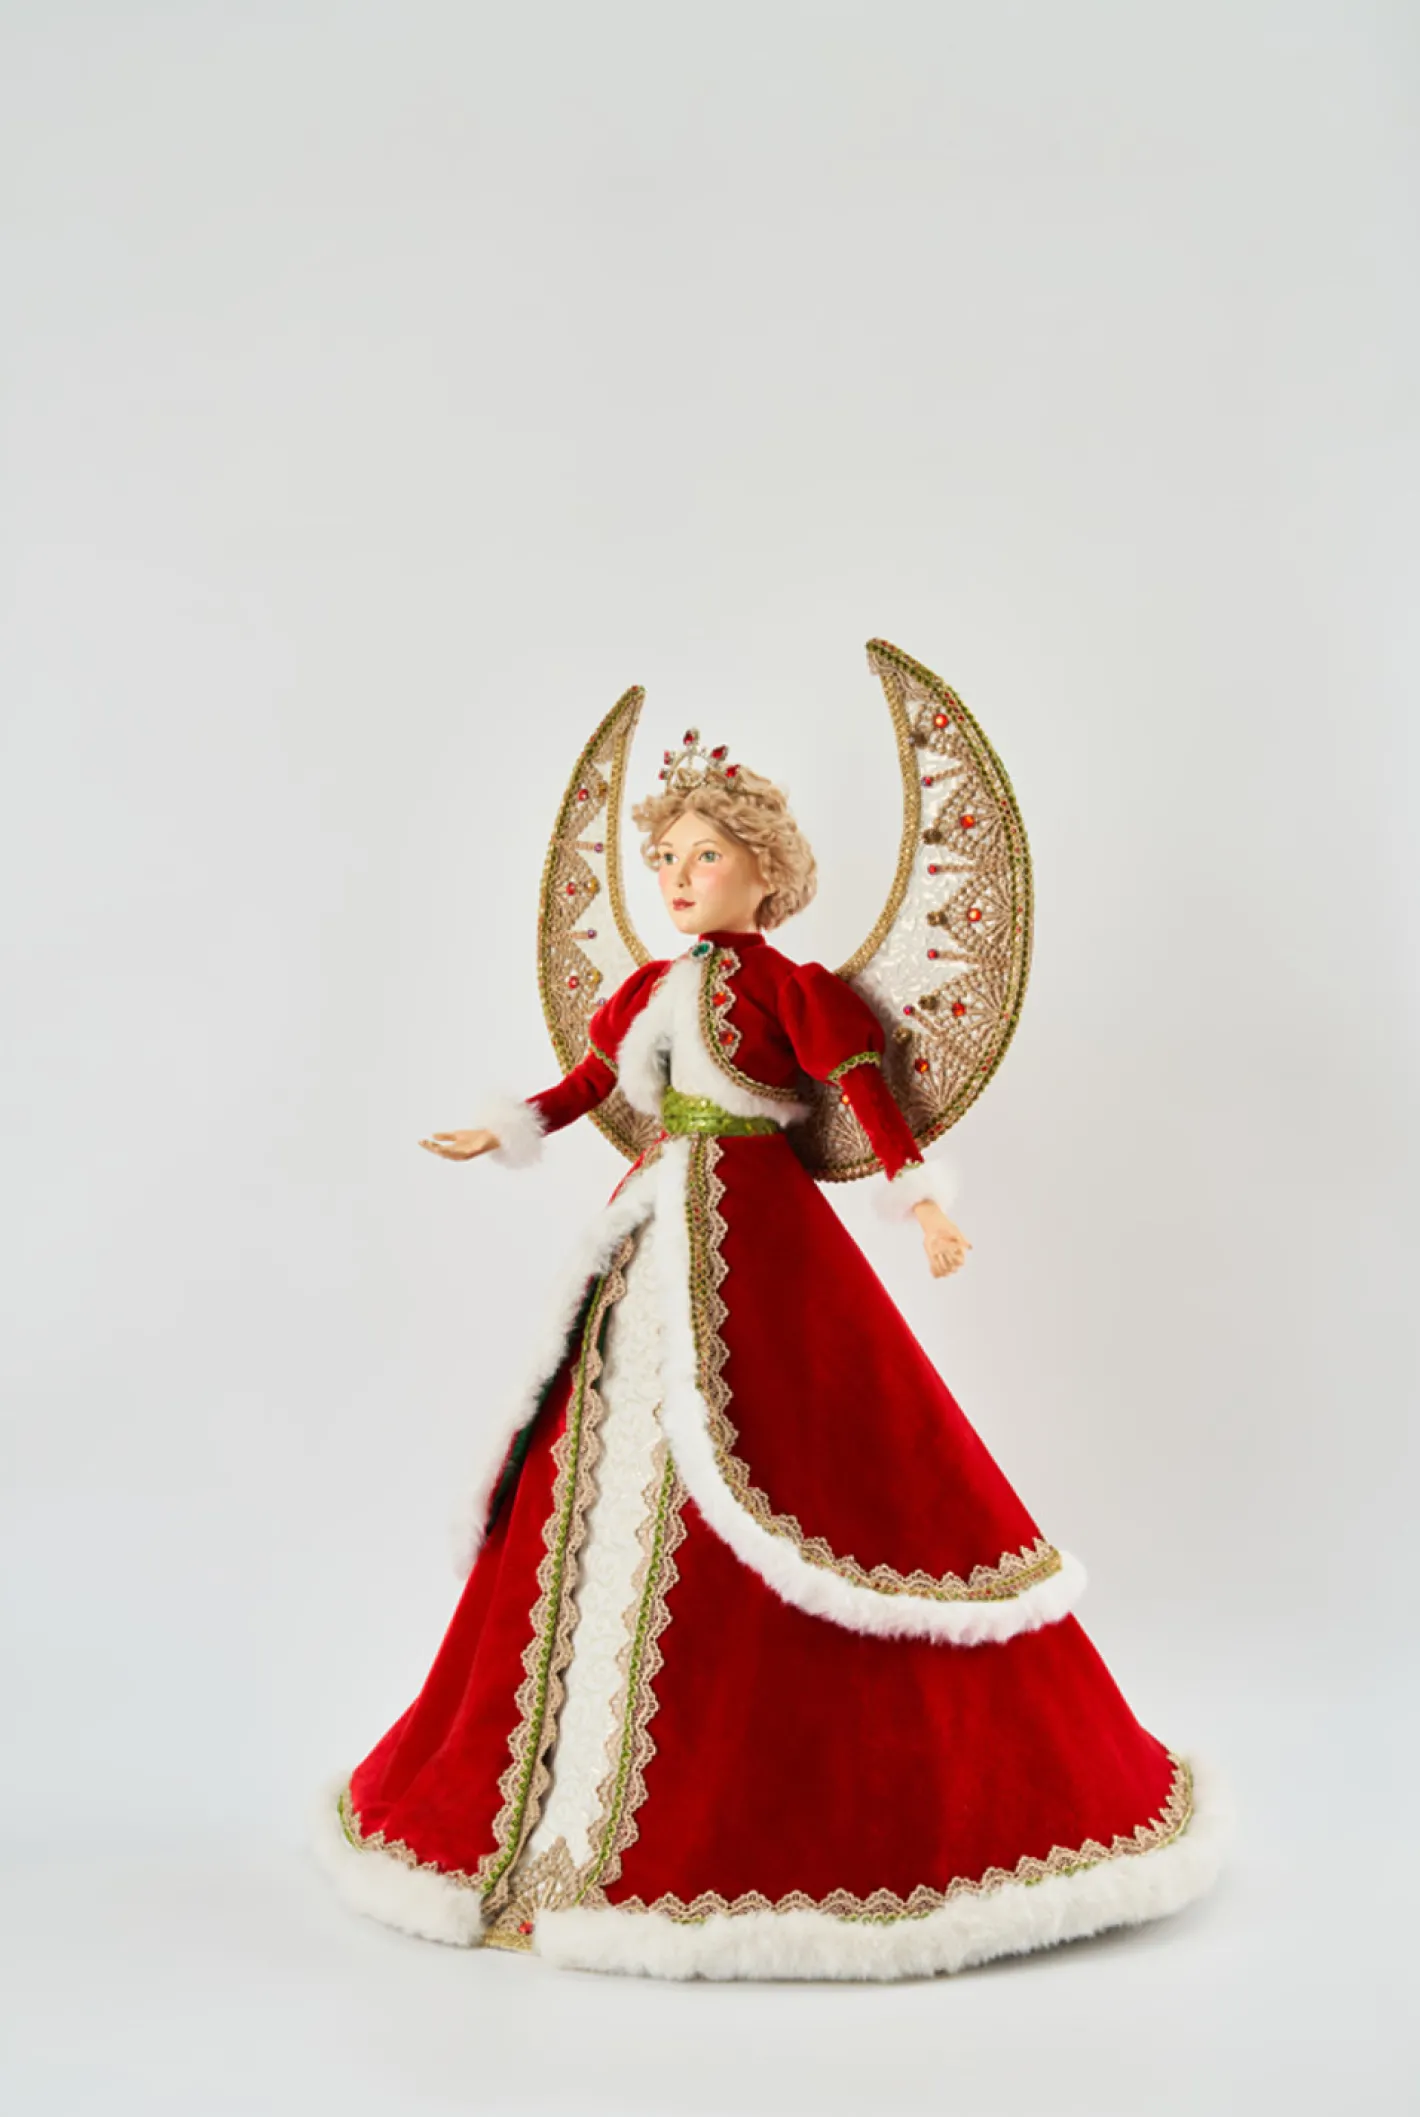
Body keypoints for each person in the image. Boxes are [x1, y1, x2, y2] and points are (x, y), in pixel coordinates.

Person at [313, 712, 1229, 1980]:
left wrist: (921, 1202)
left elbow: (863, 1096)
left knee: (797, 1449)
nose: (679, 877)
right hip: (645, 1230)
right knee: (592, 1465)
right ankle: (549, 1815)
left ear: (765, 869)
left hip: (762, 1237)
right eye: (666, 859)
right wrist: (504, 1125)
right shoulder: (648, 989)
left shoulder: (793, 990)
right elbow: (586, 1088)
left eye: (705, 855)